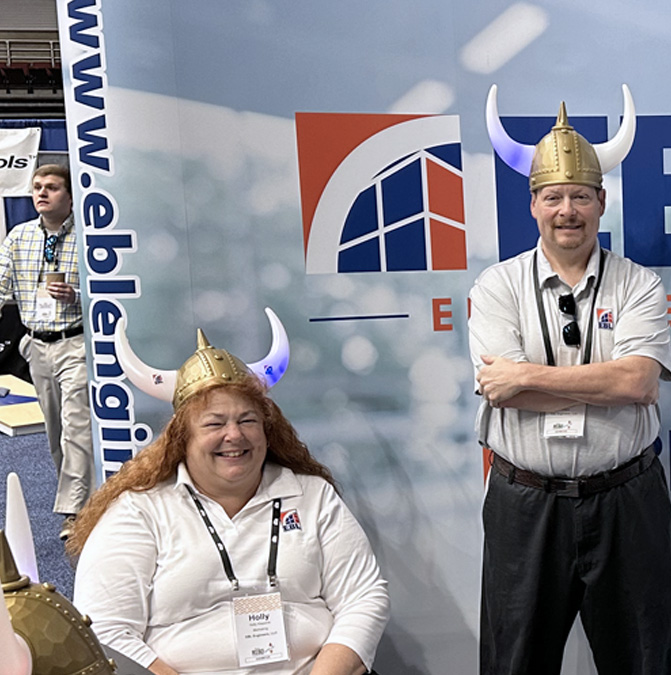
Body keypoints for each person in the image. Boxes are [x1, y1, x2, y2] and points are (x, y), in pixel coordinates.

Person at [470, 86, 671, 675]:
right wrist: (599, 379)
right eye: (554, 196)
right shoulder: (496, 287)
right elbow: (497, 389)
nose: (568, 210)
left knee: (641, 660)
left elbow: (638, 384)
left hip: (625, 499)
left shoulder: (639, 285)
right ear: (532, 204)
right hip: (524, 502)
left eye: (581, 196)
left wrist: (528, 376)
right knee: (514, 662)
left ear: (602, 202)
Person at [68, 311, 389, 675]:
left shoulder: (312, 496)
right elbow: (105, 630)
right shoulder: (139, 512)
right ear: (181, 439)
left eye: (247, 420)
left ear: (268, 430)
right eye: (214, 423)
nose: (234, 435)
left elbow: (363, 597)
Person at [0, 163, 93, 540]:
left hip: (77, 342)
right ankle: (81, 497)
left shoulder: (88, 238)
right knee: (55, 432)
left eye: (51, 187)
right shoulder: (18, 237)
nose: (41, 193)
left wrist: (77, 294)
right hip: (36, 345)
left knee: (76, 425)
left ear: (69, 196)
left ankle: (75, 512)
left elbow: (108, 293)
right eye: (37, 186)